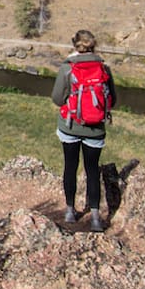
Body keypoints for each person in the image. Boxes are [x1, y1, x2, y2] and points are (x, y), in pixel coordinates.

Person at [51, 29, 116, 232]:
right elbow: (112, 100)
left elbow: (57, 99)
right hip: (95, 130)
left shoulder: (67, 68)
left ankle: (70, 211)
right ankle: (95, 217)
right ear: (93, 46)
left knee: (70, 167)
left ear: (74, 45)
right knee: (92, 171)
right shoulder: (104, 68)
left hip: (70, 126)